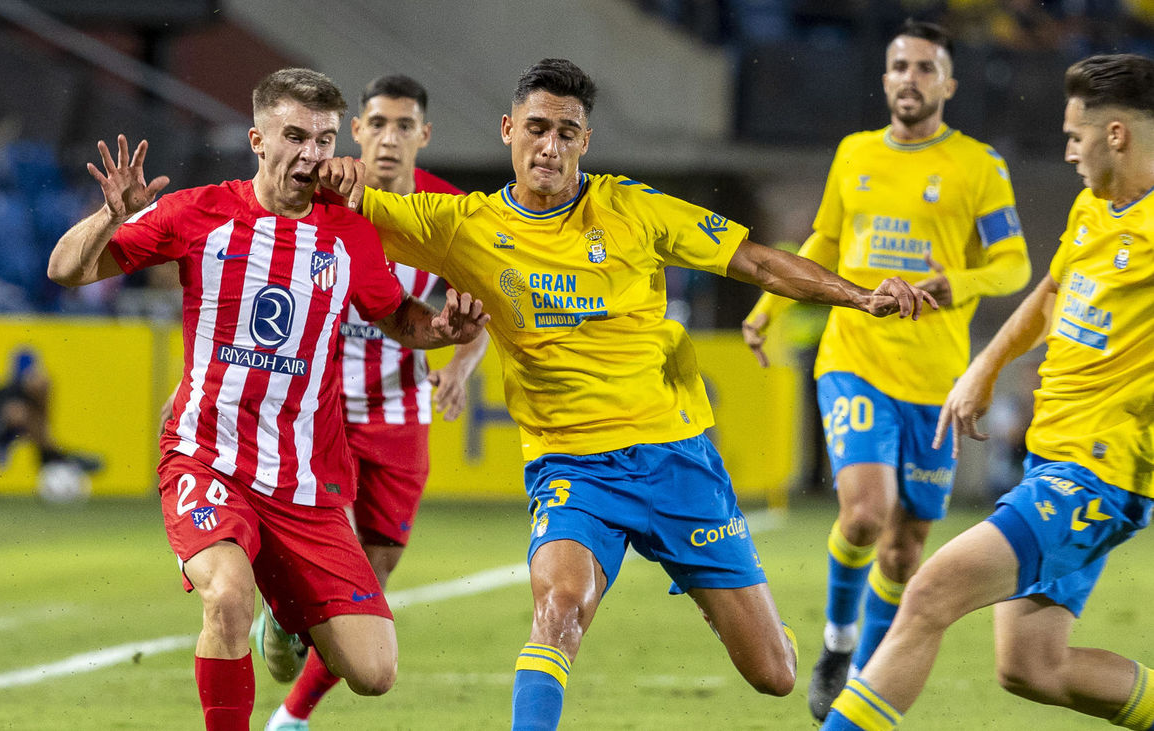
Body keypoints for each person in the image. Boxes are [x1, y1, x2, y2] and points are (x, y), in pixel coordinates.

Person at [318, 57, 939, 731]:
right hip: (572, 466)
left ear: (585, 141)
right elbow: (333, 196)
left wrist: (858, 294)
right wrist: (333, 170)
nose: (549, 146)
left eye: (566, 131)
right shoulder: (462, 224)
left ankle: (747, 613)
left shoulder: (634, 210)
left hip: (676, 459)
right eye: (535, 129)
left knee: (774, 675)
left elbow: (755, 259)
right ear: (507, 131)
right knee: (558, 609)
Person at [46, 68, 488, 731]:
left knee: (374, 669)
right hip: (208, 457)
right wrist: (113, 214)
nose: (310, 154)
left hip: (302, 481)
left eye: (323, 139)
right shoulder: (198, 213)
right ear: (257, 139)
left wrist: (444, 332)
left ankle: (286, 613)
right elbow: (66, 268)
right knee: (226, 596)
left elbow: (398, 317)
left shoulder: (348, 230)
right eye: (294, 136)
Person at [823, 52, 1154, 731]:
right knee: (1032, 666)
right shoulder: (1097, 208)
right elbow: (1054, 289)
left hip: (1097, 472)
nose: (1066, 152)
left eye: (1074, 135)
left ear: (1115, 134)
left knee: (930, 592)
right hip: (1052, 457)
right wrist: (987, 366)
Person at [741, 19, 1032, 721]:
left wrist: (954, 283)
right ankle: (839, 644)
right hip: (855, 357)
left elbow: (1014, 263)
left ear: (949, 85)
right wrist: (768, 305)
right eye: (900, 65)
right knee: (866, 512)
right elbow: (824, 239)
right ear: (884, 78)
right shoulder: (855, 153)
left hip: (933, 379)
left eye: (926, 68)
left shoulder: (977, 166)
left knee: (904, 552)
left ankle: (867, 672)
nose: (910, 78)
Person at [254, 73, 489, 731]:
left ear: (424, 135)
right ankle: (285, 616)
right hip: (320, 409)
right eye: (377, 124)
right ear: (355, 130)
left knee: (369, 585)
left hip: (401, 413)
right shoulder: (323, 187)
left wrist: (460, 366)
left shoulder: (451, 212)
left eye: (403, 126)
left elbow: (485, 307)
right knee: (331, 557)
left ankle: (291, 711)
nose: (389, 138)